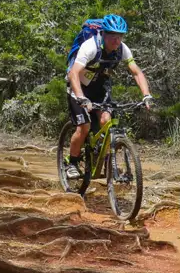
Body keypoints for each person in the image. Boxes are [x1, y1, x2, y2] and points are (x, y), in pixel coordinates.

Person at [65, 14, 153, 179]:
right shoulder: (90, 46)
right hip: (79, 88)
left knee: (107, 121)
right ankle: (72, 163)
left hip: (99, 88)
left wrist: (146, 95)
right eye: (112, 36)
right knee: (84, 126)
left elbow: (136, 72)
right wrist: (80, 97)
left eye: (120, 36)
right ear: (103, 34)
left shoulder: (122, 49)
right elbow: (74, 73)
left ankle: (104, 160)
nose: (116, 40)